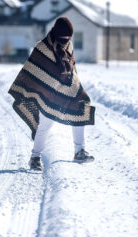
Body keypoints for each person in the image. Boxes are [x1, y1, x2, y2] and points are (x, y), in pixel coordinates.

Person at [8, 17, 95, 171]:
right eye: (63, 37)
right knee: (45, 126)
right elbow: (33, 70)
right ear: (56, 33)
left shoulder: (69, 46)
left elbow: (72, 69)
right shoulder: (42, 47)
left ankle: (79, 151)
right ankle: (35, 157)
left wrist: (74, 86)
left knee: (80, 111)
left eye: (68, 37)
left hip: (68, 91)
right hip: (48, 93)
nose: (66, 40)